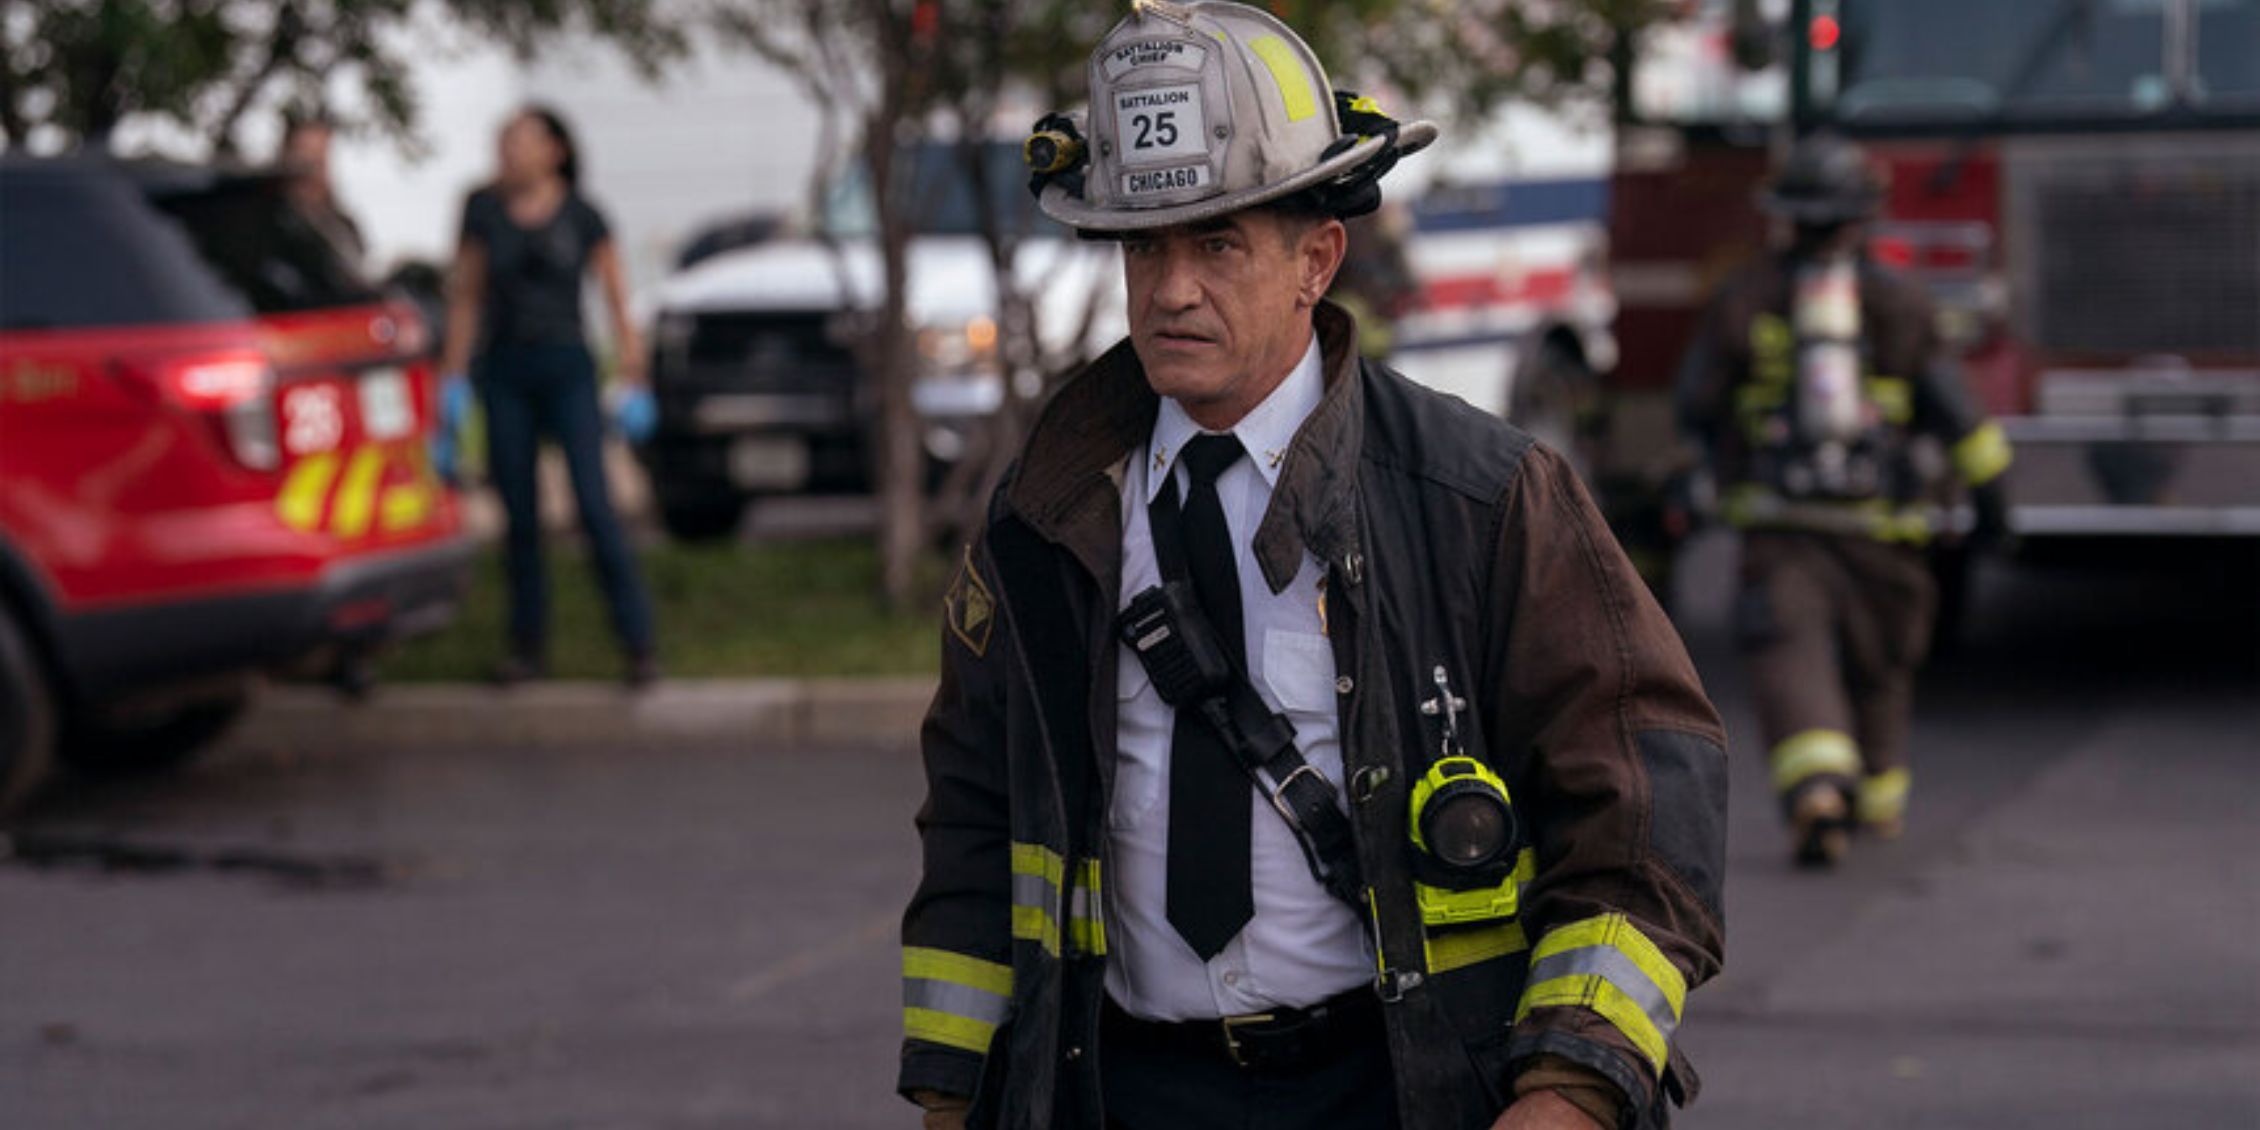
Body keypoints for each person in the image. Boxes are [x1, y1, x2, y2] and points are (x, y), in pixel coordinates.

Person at [898, 5, 1728, 1129]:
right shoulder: (1047, 512)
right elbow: (973, 812)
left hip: (1395, 1086)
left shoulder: (1479, 496)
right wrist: (953, 1098)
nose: (1172, 287)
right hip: (1119, 1088)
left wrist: (1570, 1087)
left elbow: (1643, 800)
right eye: (1144, 246)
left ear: (1315, 258)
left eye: (1219, 243)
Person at [1674, 133, 2012, 867]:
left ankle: (1817, 791)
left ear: (1787, 214)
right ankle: (1879, 799)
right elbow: (1954, 408)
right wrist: (1992, 499)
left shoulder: (1744, 296)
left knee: (1788, 654)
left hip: (1777, 524)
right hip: (1882, 530)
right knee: (1882, 666)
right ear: (1864, 217)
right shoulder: (1899, 300)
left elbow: (1696, 404)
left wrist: (1705, 469)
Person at [437, 106, 658, 688]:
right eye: (503, 140)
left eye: (521, 141)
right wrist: (452, 380)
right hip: (504, 371)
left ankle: (638, 643)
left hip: (568, 369)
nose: (508, 151)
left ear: (555, 150)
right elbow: (466, 296)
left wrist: (633, 372)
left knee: (594, 505)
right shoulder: (482, 210)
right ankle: (526, 647)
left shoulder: (584, 215)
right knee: (520, 515)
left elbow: (615, 297)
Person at [278, 110, 367, 269]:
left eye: (320, 160)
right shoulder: (270, 222)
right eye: (304, 158)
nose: (312, 170)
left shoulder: (344, 229)